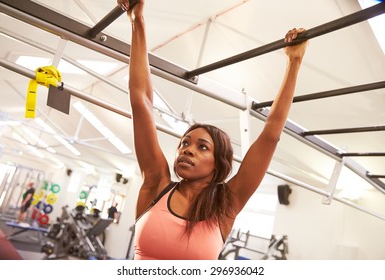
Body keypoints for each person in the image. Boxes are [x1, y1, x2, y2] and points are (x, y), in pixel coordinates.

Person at [118, 0, 308, 260]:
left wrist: (294, 62)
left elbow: (271, 135)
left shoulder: (227, 205)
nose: (187, 150)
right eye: (185, 143)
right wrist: (137, 22)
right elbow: (141, 100)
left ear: (218, 165)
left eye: (202, 146)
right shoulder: (156, 185)